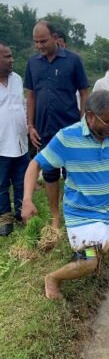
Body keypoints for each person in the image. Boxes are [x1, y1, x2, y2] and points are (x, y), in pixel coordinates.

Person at [21, 90, 109, 307]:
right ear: (90, 115)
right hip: (81, 215)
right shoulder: (67, 137)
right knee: (89, 262)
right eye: (107, 121)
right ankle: (53, 278)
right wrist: (27, 200)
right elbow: (35, 164)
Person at [24, 20, 89, 229]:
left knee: (72, 173)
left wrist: (83, 122)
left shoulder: (73, 60)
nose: (39, 46)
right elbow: (31, 96)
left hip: (70, 128)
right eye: (36, 42)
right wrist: (30, 126)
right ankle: (55, 217)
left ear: (54, 37)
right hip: (44, 129)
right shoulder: (32, 63)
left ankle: (74, 214)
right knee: (50, 174)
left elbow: (84, 92)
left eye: (43, 41)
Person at [0, 43, 29, 236]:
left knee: (21, 181)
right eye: (7, 57)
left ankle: (21, 214)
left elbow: (23, 105)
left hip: (20, 143)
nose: (12, 60)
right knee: (1, 184)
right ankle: (4, 218)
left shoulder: (17, 79)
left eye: (11, 56)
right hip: (1, 144)